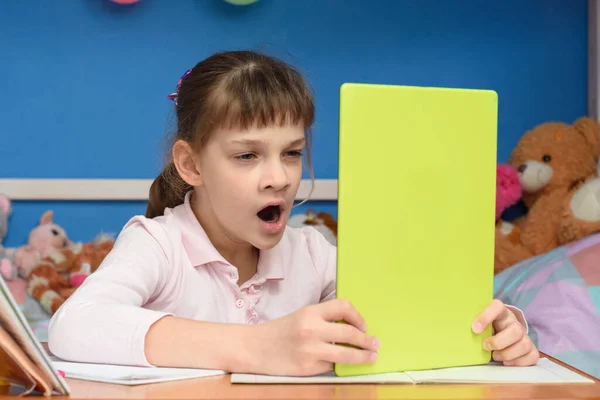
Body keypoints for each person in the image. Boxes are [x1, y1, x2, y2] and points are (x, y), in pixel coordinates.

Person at [48, 50, 539, 376]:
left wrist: (500, 331)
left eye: (291, 152)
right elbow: (73, 326)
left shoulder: (313, 253)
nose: (279, 177)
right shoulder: (157, 244)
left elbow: (401, 322)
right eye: (247, 156)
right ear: (191, 164)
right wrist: (258, 346)